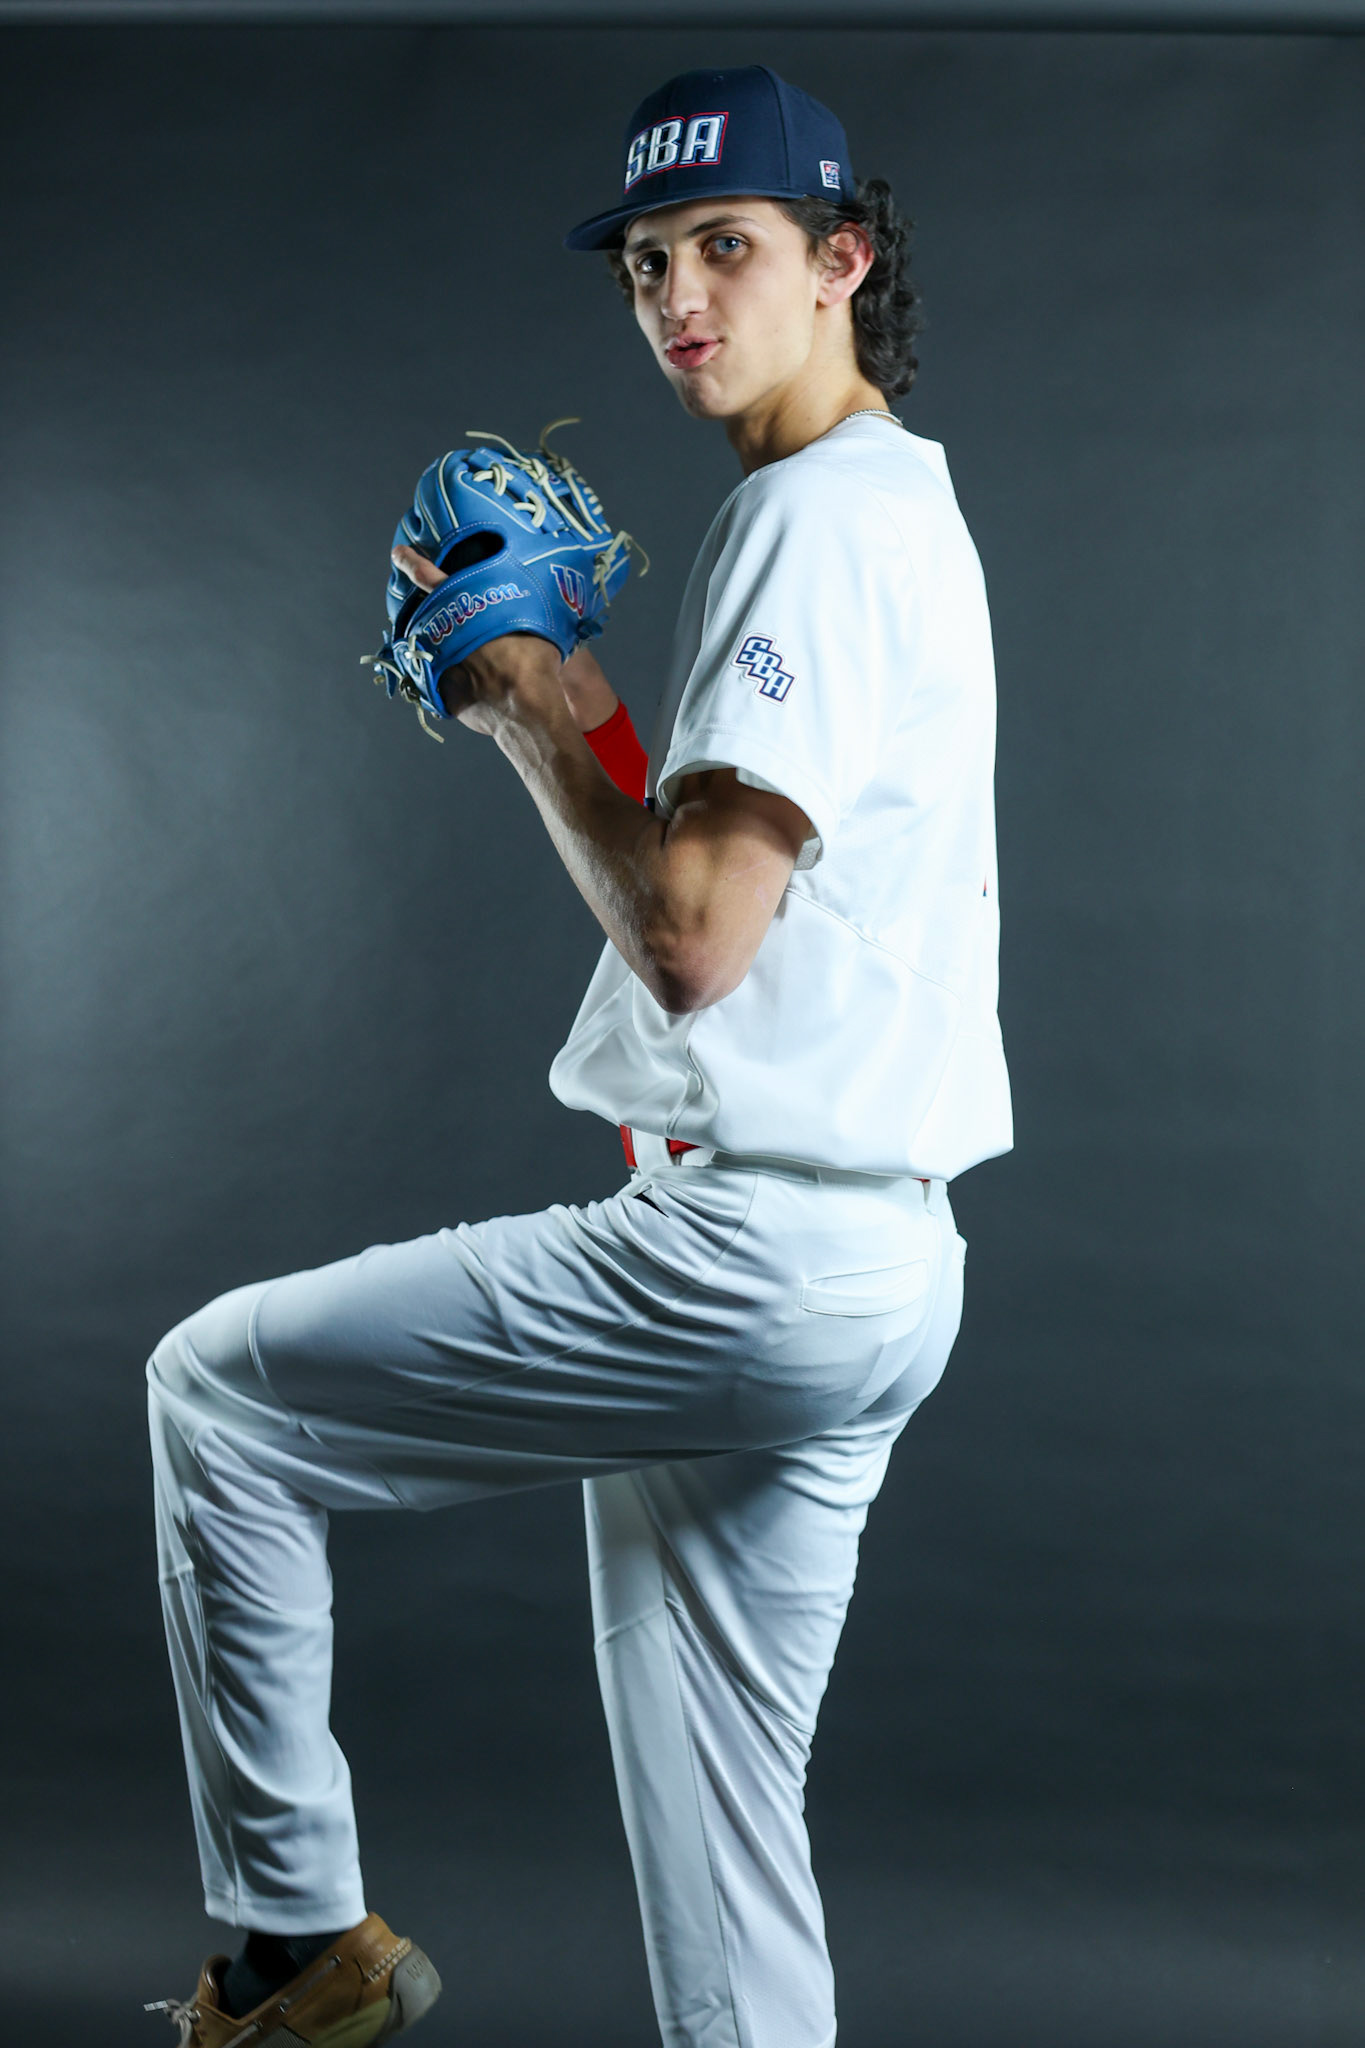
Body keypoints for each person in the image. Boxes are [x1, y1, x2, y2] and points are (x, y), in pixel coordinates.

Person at [144, 61, 1012, 2048]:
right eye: (645, 261)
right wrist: (590, 700)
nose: (680, 296)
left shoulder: (809, 523)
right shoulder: (890, 513)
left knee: (218, 1397)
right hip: (876, 1266)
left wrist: (523, 695)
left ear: (838, 262)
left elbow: (690, 941)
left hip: (751, 1260)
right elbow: (727, 882)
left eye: (728, 246)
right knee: (728, 1855)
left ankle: (298, 1944)